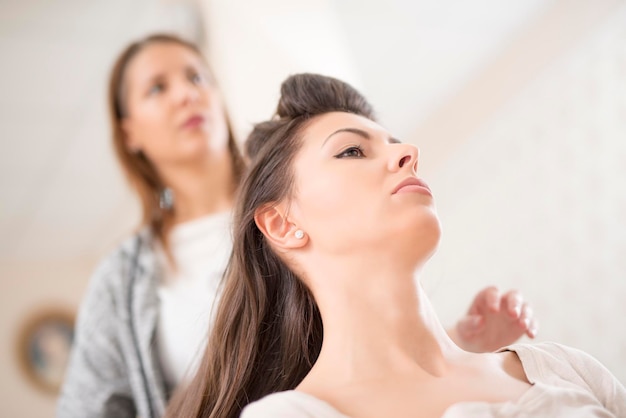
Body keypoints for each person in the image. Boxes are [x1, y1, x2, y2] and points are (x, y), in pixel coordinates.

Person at [57, 34, 536, 418]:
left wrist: (461, 348)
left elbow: (379, 340)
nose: (187, 93)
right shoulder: (122, 282)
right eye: (158, 88)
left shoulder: (320, 198)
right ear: (129, 132)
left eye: (197, 76)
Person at [165, 73, 626, 418]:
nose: (408, 154)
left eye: (397, 144)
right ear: (282, 224)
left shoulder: (563, 369)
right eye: (351, 151)